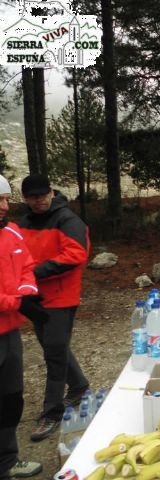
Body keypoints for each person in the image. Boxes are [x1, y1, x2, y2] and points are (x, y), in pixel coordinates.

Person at [19, 174, 91, 442]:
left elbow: (75, 255)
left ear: (51, 192)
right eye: (33, 196)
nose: (39, 200)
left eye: (43, 194)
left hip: (61, 297)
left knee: (54, 352)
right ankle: (80, 386)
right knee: (53, 345)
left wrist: (35, 273)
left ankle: (52, 412)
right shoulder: (22, 222)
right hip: (33, 296)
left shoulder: (68, 221)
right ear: (25, 198)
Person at [0, 174, 45, 479]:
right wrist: (16, 303)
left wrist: (28, 295)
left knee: (11, 398)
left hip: (9, 332)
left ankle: (7, 461)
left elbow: (27, 266)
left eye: (4, 199)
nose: (5, 206)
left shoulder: (12, 233)